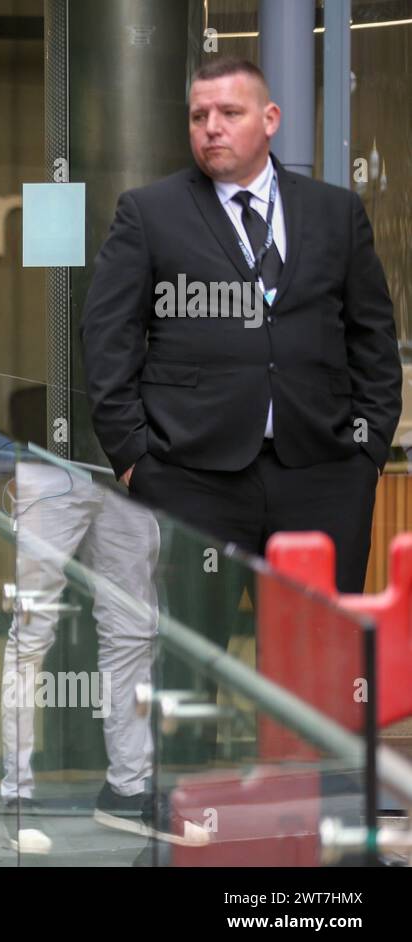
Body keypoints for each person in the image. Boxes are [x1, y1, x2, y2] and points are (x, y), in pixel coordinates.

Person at [82, 56, 401, 592]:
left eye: (229, 112)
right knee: (185, 661)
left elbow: (373, 339)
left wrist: (366, 455)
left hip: (323, 476)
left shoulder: (336, 213)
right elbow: (107, 336)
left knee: (315, 660)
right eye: (198, 116)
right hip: (189, 478)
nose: (211, 128)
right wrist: (134, 458)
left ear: (270, 119)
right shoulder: (149, 213)